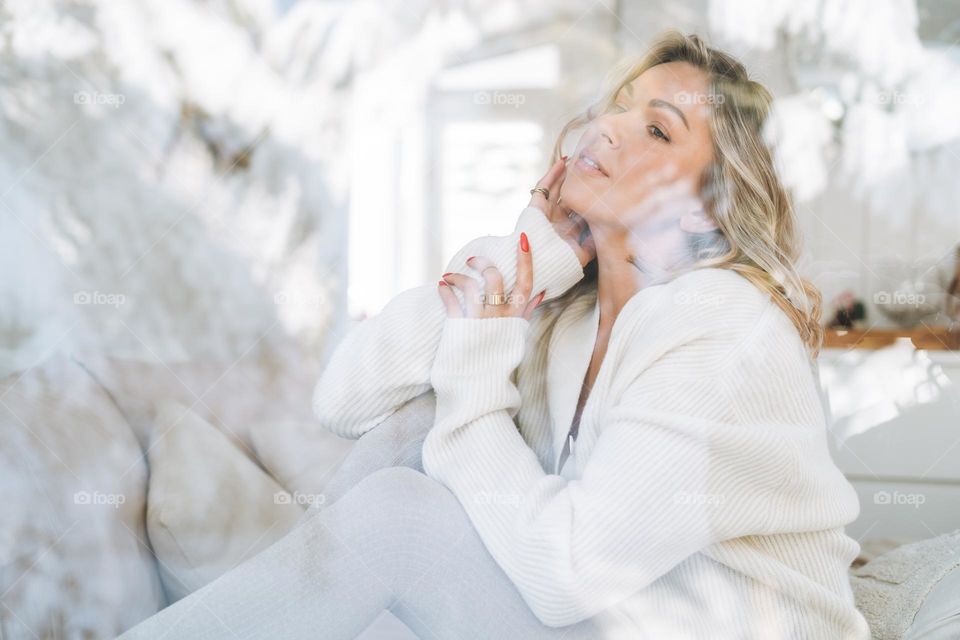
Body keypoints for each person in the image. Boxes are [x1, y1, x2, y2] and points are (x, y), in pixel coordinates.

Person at [118, 30, 870, 639]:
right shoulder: (571, 310)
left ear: (703, 209)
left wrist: (475, 376)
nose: (606, 129)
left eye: (653, 129)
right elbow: (344, 402)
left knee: (399, 518)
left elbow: (565, 572)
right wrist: (531, 256)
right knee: (409, 432)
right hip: (610, 619)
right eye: (617, 106)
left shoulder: (720, 326)